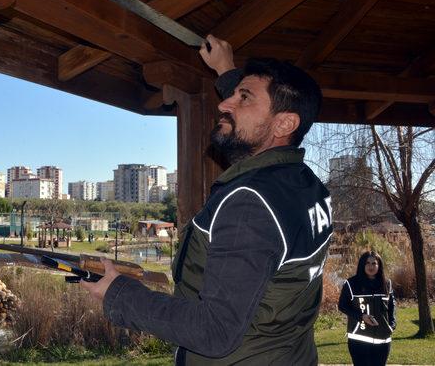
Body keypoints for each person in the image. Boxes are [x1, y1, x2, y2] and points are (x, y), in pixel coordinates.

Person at [81, 35, 333, 365]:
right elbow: (254, 146)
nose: (224, 104)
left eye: (244, 97)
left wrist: (119, 295)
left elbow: (214, 329)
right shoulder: (306, 186)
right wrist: (227, 72)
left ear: (285, 122)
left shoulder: (250, 204)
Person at [338, 251, 396, 366]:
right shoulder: (351, 284)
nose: (371, 266)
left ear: (379, 266)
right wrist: (361, 317)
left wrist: (392, 325)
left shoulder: (386, 284)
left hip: (382, 340)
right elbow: (342, 306)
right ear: (362, 265)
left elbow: (391, 306)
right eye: (367, 263)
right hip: (359, 339)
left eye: (374, 263)